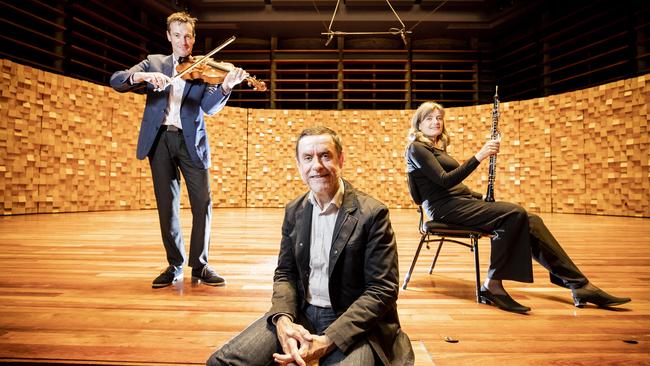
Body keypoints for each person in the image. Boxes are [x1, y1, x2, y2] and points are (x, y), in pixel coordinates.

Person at [207, 127, 414, 366]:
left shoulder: (373, 213)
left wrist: (329, 339)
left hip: (352, 321)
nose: (317, 165)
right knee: (220, 363)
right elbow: (285, 273)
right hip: (301, 314)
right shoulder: (294, 211)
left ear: (341, 160)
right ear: (298, 165)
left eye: (325, 156)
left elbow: (382, 289)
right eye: (308, 158)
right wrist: (283, 319)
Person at [405, 101, 631, 313]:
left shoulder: (437, 149)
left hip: (460, 202)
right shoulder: (416, 148)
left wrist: (481, 196)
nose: (436, 122)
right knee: (515, 213)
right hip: (443, 209)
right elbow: (445, 181)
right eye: (429, 119)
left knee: (530, 220)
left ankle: (579, 285)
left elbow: (458, 187)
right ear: (419, 124)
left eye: (439, 118)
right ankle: (492, 284)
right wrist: (480, 156)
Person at [110, 12, 248, 288]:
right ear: (169, 37)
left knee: (202, 204)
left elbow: (208, 108)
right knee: (167, 207)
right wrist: (142, 76)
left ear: (194, 38)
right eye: (177, 35)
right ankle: (174, 265)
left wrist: (224, 86)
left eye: (188, 36)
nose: (183, 41)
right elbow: (117, 80)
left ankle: (200, 265)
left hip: (191, 142)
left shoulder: (203, 67)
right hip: (159, 140)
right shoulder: (155, 62)